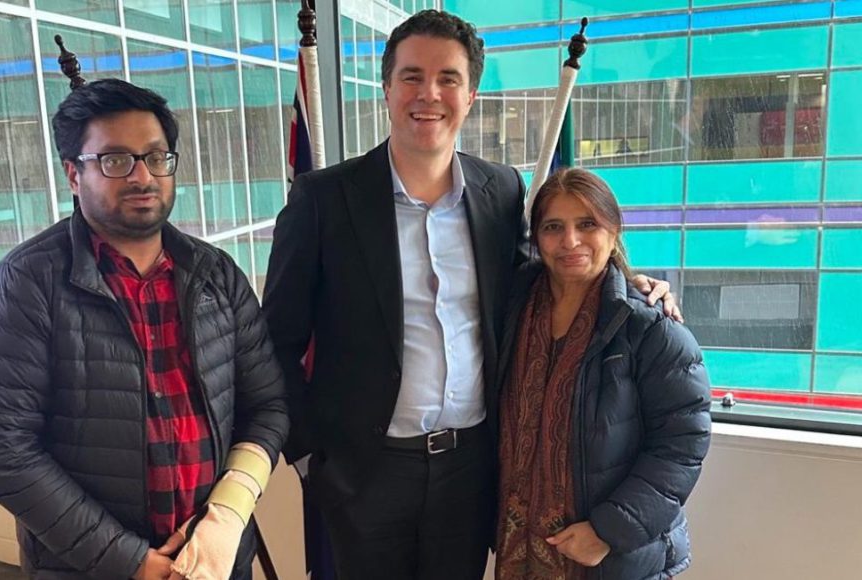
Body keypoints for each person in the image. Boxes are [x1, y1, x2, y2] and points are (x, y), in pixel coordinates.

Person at [263, 10, 677, 580]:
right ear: (387, 88)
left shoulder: (501, 191)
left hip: (470, 471)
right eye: (411, 76)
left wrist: (629, 285)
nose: (428, 93)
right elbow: (276, 343)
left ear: (471, 94)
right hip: (363, 474)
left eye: (447, 78)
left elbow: (544, 280)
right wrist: (310, 458)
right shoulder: (323, 200)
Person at [0, 79, 288, 580]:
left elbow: (266, 405)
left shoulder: (216, 276)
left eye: (157, 157)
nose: (143, 176)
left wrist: (225, 518)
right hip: (90, 568)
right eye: (115, 160)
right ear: (73, 174)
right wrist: (131, 561)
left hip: (215, 563)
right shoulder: (25, 284)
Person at [496, 167, 711, 580]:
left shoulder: (650, 326)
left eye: (587, 224)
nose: (570, 241)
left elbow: (682, 443)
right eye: (553, 226)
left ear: (613, 230)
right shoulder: (512, 307)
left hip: (608, 557)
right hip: (519, 547)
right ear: (536, 238)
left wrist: (610, 531)